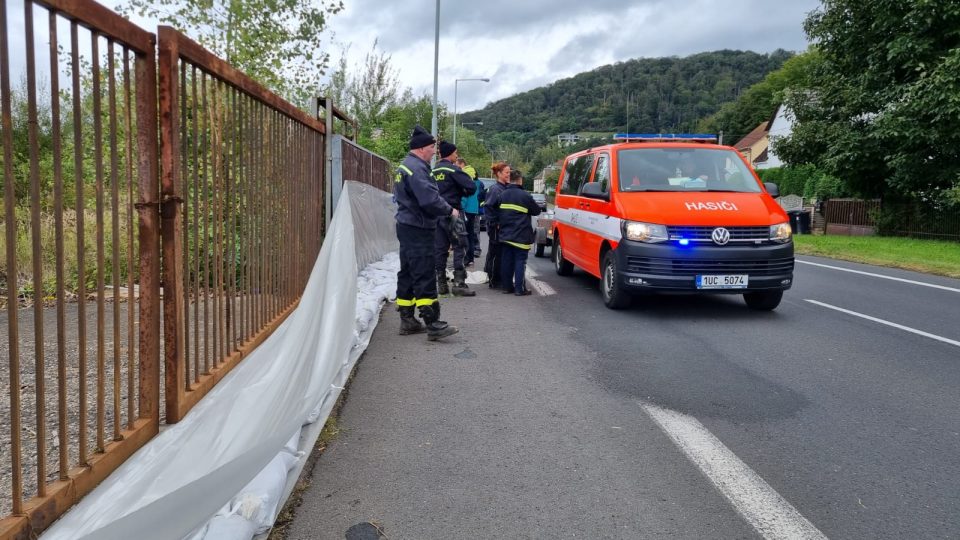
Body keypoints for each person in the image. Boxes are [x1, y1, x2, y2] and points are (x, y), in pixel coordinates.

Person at [393, 125, 459, 340]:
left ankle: (408, 320)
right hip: (419, 227)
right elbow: (430, 200)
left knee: (408, 272)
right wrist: (450, 210)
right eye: (432, 147)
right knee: (423, 273)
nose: (433, 152)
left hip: (406, 225)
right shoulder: (418, 169)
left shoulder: (406, 166)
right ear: (421, 148)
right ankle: (433, 324)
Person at [432, 142, 477, 297]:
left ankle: (441, 285)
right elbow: (472, 187)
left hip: (437, 215)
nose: (457, 155)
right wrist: (461, 191)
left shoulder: (433, 171)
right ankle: (459, 283)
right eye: (455, 153)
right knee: (460, 246)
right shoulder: (454, 170)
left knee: (440, 249)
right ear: (450, 153)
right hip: (453, 213)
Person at [487, 170, 541, 295]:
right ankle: (519, 289)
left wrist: (496, 223)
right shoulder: (525, 195)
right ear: (520, 180)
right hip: (521, 235)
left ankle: (506, 287)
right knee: (520, 261)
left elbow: (493, 209)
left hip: (505, 234)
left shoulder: (502, 194)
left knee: (506, 261)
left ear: (510, 179)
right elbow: (537, 211)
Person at [483, 162, 511, 289]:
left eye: (509, 172)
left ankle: (497, 276)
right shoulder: (495, 189)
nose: (509, 175)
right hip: (496, 227)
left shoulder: (506, 187)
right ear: (499, 174)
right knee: (495, 253)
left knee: (501, 253)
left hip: (503, 226)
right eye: (506, 172)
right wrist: (495, 223)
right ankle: (493, 279)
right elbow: (488, 207)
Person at [457, 157, 481, 266]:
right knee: (471, 234)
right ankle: (470, 257)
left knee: (463, 235)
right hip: (474, 209)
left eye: (457, 165)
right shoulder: (473, 174)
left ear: (461, 164)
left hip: (466, 209)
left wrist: (459, 206)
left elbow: (465, 194)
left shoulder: (465, 174)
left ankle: (466, 258)